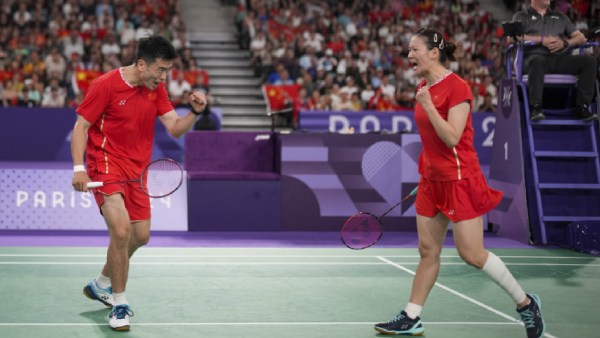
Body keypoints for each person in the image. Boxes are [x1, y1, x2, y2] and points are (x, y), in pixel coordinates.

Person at [373, 28, 546, 338]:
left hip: (459, 178)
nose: (409, 55)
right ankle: (412, 317)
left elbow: (453, 137)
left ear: (434, 52)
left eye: (415, 49)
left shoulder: (458, 88)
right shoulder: (425, 86)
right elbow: (431, 141)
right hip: (432, 180)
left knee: (472, 254)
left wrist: (427, 106)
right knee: (428, 251)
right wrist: (428, 171)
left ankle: (526, 304)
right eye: (409, 50)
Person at [70, 35, 207, 331]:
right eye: (160, 69)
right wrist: (79, 168)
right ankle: (119, 303)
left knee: (140, 236)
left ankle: (101, 283)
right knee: (120, 230)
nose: (164, 76)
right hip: (105, 163)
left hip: (137, 169)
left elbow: (174, 128)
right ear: (141, 64)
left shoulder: (155, 89)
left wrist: (194, 113)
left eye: (167, 70)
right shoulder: (105, 84)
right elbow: (81, 126)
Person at [513, 0, 598, 122]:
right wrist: (542, 40)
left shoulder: (560, 17)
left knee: (589, 61)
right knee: (537, 61)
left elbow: (581, 38)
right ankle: (536, 108)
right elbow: (514, 38)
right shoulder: (521, 16)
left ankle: (582, 108)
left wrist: (566, 43)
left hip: (558, 58)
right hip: (533, 58)